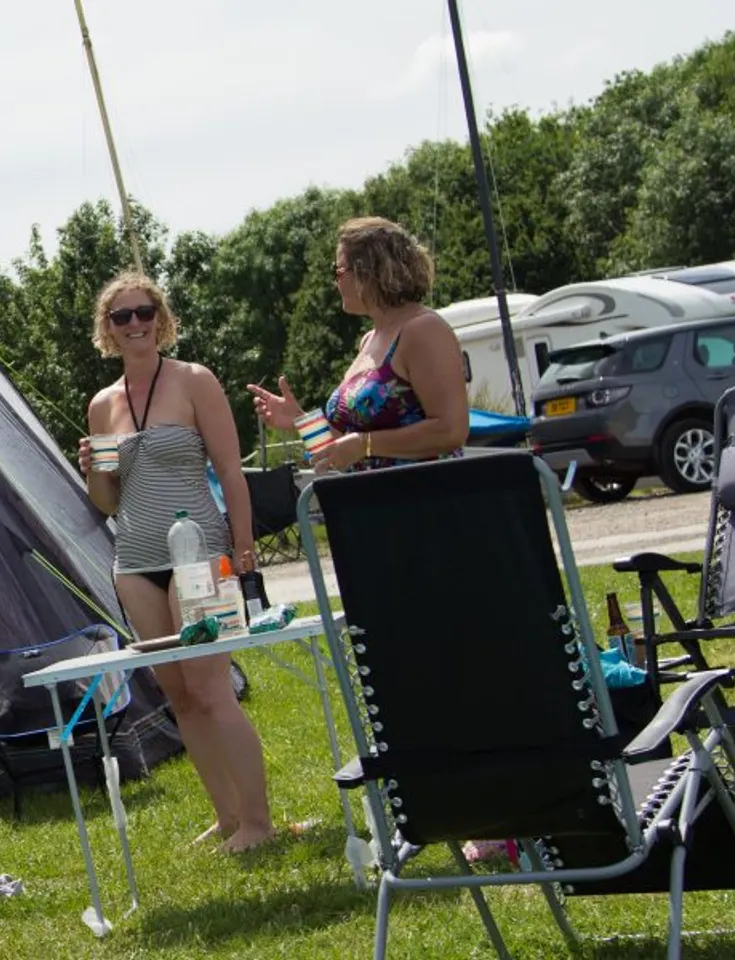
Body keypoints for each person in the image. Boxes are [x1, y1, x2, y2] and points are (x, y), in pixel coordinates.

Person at [75, 270, 275, 853]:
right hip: (134, 558)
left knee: (211, 688)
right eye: (122, 316)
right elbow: (106, 501)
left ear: (161, 319)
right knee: (179, 695)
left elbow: (232, 472)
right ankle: (228, 816)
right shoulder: (102, 405)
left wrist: (243, 548)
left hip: (199, 553)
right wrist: (93, 468)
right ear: (107, 331)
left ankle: (259, 822)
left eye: (145, 312)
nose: (135, 323)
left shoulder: (195, 381)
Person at [248, 216, 470, 471]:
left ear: (367, 271)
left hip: (424, 502)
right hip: (372, 503)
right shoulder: (368, 340)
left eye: (338, 271)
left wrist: (366, 443)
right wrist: (299, 420)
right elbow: (342, 447)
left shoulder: (423, 329)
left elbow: (451, 430)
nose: (335, 282)